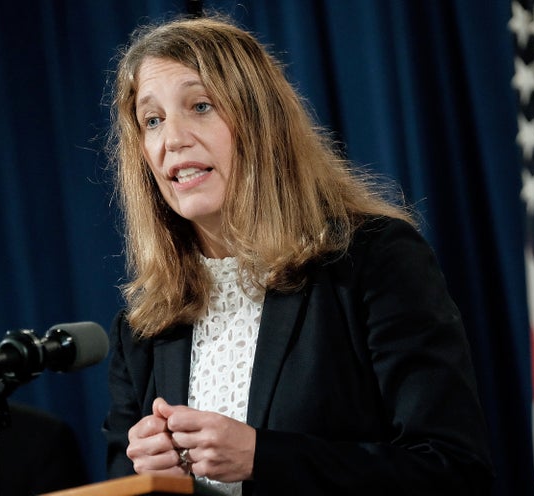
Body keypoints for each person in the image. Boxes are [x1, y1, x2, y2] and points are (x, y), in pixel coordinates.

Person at [102, 15, 493, 496]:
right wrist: (150, 479)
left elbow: (453, 470)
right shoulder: (145, 327)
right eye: (152, 120)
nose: (172, 139)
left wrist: (262, 457)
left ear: (260, 121)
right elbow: (121, 485)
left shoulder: (373, 261)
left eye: (200, 106)